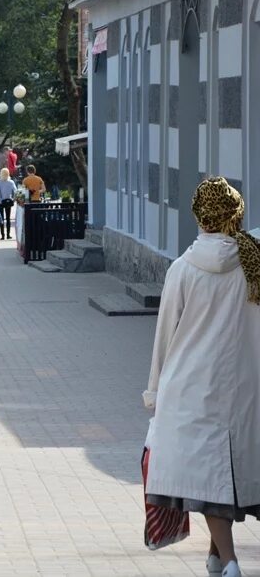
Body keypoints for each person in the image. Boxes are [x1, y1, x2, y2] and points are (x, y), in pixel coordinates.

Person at [143, 177, 260, 577]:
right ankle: (216, 557)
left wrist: (153, 393)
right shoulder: (254, 262)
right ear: (237, 214)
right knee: (229, 475)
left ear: (199, 217)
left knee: (209, 480)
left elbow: (165, 336)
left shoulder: (183, 269)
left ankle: (229, 562)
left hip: (192, 387)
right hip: (246, 383)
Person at [0, 168, 18, 239]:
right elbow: (16, 191)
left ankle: (2, 235)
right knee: (8, 218)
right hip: (8, 201)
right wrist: (13, 199)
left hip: (0, 202)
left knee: (1, 219)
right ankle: (8, 235)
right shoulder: (11, 182)